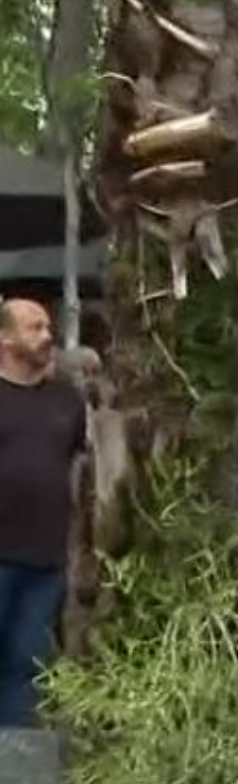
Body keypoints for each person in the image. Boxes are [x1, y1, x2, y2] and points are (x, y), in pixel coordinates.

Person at [0, 299, 87, 726]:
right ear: (5, 337)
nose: (47, 336)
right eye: (34, 328)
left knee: (25, 664)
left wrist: (73, 543)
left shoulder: (67, 400)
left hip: (46, 557)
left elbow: (73, 468)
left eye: (47, 327)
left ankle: (11, 772)